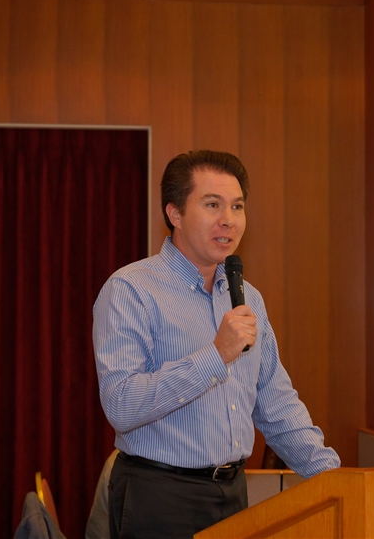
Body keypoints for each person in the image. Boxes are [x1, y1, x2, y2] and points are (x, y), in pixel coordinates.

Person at [93, 151, 340, 539]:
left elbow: (276, 403)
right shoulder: (131, 290)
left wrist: (335, 481)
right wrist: (215, 355)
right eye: (212, 205)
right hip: (159, 495)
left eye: (237, 206)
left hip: (233, 493)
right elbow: (122, 405)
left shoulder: (248, 298)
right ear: (175, 213)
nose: (229, 219)